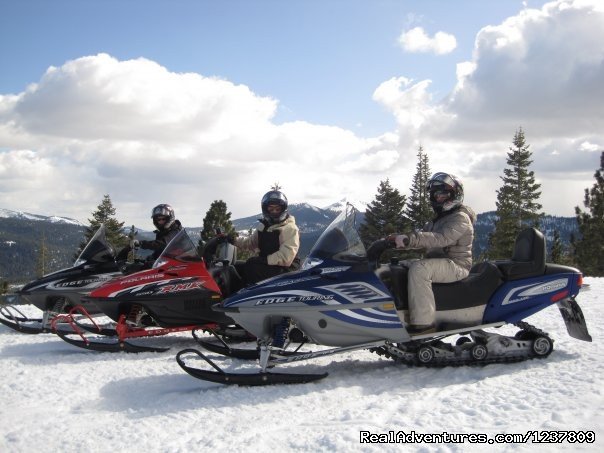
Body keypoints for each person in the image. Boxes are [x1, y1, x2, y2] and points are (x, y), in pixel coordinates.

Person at [388, 172, 476, 335]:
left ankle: (423, 324)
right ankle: (398, 312)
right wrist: (397, 241)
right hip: (441, 262)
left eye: (443, 194)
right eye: (436, 195)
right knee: (397, 267)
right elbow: (424, 238)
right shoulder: (439, 219)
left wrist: (410, 239)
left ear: (454, 194)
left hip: (457, 265)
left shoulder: (460, 218)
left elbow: (440, 239)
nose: (438, 198)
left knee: (419, 269)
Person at [235, 190, 300, 285]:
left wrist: (264, 260)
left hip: (286, 270)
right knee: (237, 266)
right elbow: (250, 243)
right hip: (270, 264)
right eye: (271, 209)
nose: (274, 212)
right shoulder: (264, 226)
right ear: (265, 209)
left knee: (252, 267)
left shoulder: (289, 228)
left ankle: (248, 296)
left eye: (277, 209)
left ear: (283, 209)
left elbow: (286, 257)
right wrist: (232, 240)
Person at [117, 204, 183, 265]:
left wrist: (141, 243)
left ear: (169, 218)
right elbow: (161, 252)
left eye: (163, 219)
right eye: (158, 219)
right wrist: (149, 259)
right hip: (167, 263)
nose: (160, 221)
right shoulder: (163, 232)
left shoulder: (176, 231)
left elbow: (163, 244)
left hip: (178, 265)